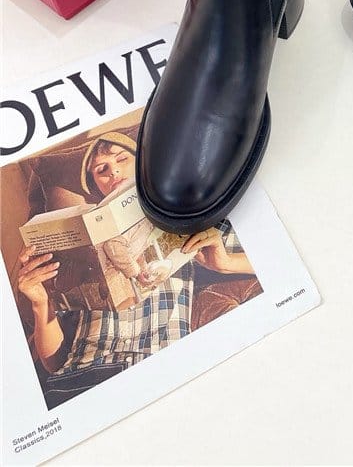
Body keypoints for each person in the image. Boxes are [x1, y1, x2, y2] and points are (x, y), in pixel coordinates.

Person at [17, 131, 254, 403]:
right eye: (101, 170)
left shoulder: (183, 208)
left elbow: (268, 259)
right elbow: (54, 363)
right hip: (81, 380)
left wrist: (225, 263)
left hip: (162, 367)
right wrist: (40, 303)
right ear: (95, 185)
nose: (113, 171)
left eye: (122, 159)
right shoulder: (80, 248)